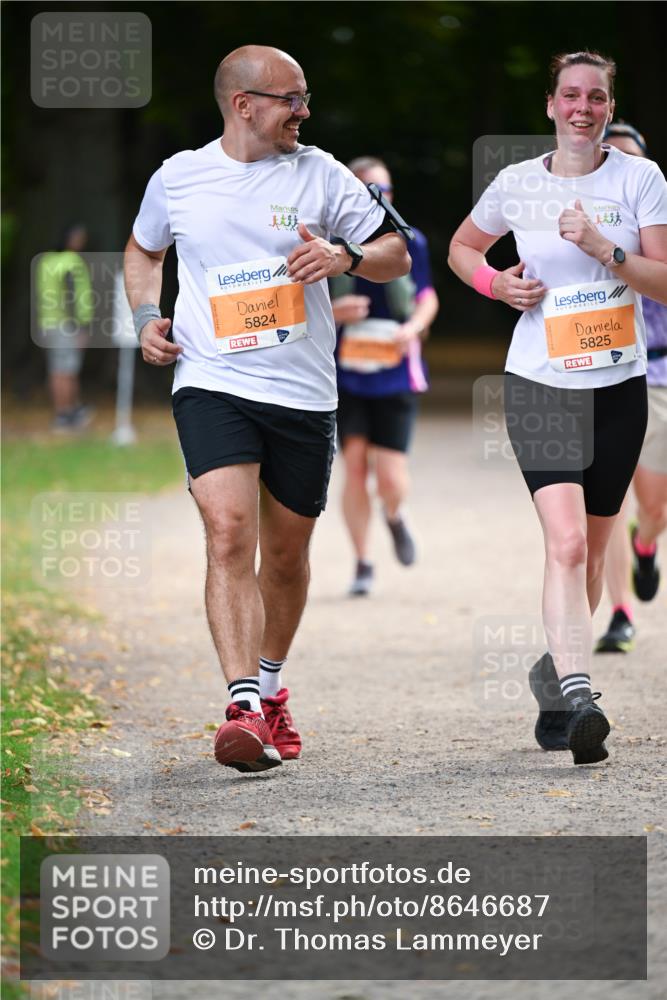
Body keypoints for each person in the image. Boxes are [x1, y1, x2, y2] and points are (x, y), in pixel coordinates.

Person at [123, 46, 410, 773]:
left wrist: (345, 257)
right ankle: (243, 706)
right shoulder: (178, 178)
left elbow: (395, 253)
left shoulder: (321, 172)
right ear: (243, 103)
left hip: (302, 391)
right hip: (210, 380)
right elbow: (142, 250)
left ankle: (273, 687)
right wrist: (142, 316)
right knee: (227, 533)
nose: (303, 111)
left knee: (285, 557)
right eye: (291, 98)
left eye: (305, 97)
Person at [448, 51, 667, 765]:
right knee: (566, 544)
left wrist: (606, 250)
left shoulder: (639, 178)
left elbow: (662, 283)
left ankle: (549, 674)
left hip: (617, 387)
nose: (581, 107)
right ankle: (579, 695)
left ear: (607, 106)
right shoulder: (515, 183)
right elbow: (461, 246)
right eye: (569, 95)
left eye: (595, 97)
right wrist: (494, 286)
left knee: (595, 553)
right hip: (540, 382)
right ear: (549, 105)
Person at [330, 157, 439, 596]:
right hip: (346, 372)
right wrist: (336, 313)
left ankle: (394, 516)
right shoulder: (328, 244)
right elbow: (302, 306)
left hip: (394, 370)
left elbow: (427, 296)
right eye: (371, 190)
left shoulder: (412, 241)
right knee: (354, 468)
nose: (381, 198)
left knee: (391, 477)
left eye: (386, 190)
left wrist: (414, 327)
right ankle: (362, 561)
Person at [595, 122, 667, 652]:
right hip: (599, 373)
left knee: (654, 505)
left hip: (658, 375)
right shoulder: (572, 222)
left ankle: (647, 545)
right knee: (607, 501)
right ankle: (619, 612)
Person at [35, 224, 94, 432]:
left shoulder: (46, 260)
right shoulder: (71, 262)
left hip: (47, 322)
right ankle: (65, 414)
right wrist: (81, 326)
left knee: (58, 369)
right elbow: (71, 294)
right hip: (67, 324)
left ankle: (69, 411)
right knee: (65, 371)